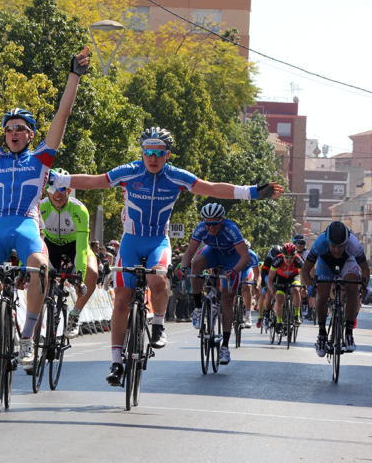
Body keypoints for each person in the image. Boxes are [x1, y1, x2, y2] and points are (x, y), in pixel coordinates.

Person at [47, 126, 283, 384]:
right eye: (148, 152)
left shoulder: (175, 177)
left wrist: (251, 192)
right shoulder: (130, 171)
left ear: (168, 154)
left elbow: (212, 188)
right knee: (121, 300)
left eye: (159, 153)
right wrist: (60, 180)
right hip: (131, 241)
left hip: (158, 240)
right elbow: (94, 181)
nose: (153, 158)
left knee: (158, 281)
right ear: (142, 152)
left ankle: (158, 324)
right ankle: (116, 364)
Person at [0, 46, 90, 379]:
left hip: (26, 226)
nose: (13, 133)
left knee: (40, 269)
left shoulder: (40, 160)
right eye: (9, 129)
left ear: (30, 135)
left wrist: (74, 77)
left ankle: (27, 337)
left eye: (20, 129)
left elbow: (62, 117)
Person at [179, 203, 252, 365]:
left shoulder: (231, 229)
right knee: (196, 262)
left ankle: (225, 347)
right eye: (207, 223)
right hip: (213, 253)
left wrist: (234, 271)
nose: (210, 227)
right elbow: (190, 251)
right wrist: (184, 267)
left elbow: (245, 256)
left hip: (232, 259)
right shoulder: (201, 228)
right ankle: (198, 308)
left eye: (214, 223)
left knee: (227, 300)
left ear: (222, 220)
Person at [39, 168, 98, 339]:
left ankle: (75, 314)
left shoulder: (79, 210)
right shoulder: (40, 207)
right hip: (50, 246)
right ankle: (32, 340)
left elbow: (81, 249)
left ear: (69, 190)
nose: (57, 194)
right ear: (47, 190)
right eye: (53, 189)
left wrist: (80, 277)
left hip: (75, 246)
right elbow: (33, 241)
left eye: (62, 189)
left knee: (93, 273)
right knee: (37, 275)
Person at [301, 221, 369, 355]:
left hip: (348, 260)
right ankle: (321, 335)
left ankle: (349, 333)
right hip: (325, 261)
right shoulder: (320, 244)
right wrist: (310, 286)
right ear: (328, 242)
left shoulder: (354, 244)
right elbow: (305, 270)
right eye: (333, 246)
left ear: (346, 242)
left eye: (340, 246)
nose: (337, 250)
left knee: (352, 287)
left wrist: (364, 286)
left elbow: (365, 270)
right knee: (322, 294)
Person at [266, 242, 303, 336]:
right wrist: (271, 289)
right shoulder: (277, 260)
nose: (289, 259)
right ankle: (279, 322)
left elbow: (304, 274)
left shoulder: (298, 259)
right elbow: (270, 278)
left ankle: (297, 315)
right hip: (281, 279)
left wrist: (304, 287)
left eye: (291, 257)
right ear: (282, 255)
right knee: (278, 301)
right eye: (286, 257)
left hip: (294, 277)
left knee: (296, 289)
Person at [256, 244, 282, 330]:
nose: (274, 261)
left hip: (280, 277)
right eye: (272, 259)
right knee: (267, 294)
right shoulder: (268, 260)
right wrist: (264, 286)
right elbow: (263, 275)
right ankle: (265, 316)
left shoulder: (283, 259)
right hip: (269, 278)